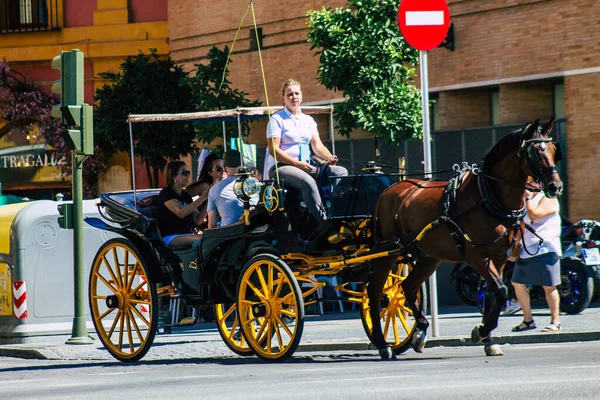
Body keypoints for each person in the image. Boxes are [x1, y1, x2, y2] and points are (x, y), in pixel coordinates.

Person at [266, 78, 348, 222]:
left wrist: (329, 157)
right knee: (308, 181)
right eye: (289, 94)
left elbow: (317, 146)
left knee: (341, 172)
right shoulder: (276, 119)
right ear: (283, 99)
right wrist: (298, 164)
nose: (294, 97)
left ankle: (337, 214)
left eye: (296, 93)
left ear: (302, 96)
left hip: (306, 165)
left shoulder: (308, 120)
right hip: (281, 167)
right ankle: (323, 222)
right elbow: (274, 150)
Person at [511, 190, 562, 333]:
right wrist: (514, 248)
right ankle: (528, 320)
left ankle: (555, 322)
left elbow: (534, 215)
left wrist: (527, 199)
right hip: (526, 249)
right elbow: (520, 225)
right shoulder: (525, 202)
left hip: (546, 248)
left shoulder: (548, 199)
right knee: (517, 283)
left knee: (549, 286)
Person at [156, 160, 205, 248]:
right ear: (174, 176)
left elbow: (197, 220)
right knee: (205, 238)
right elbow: (181, 213)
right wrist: (202, 198)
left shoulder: (185, 195)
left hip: (187, 234)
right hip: (171, 236)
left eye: (188, 172)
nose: (187, 175)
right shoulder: (166, 193)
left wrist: (210, 199)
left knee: (212, 237)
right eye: (184, 172)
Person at [207, 150, 258, 228]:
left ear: (224, 167)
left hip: (229, 235)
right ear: (242, 165)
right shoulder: (256, 184)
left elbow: (211, 225)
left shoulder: (214, 190)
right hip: (255, 231)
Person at [184, 153, 226, 230]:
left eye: (225, 168)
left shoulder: (226, 186)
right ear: (210, 172)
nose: (223, 172)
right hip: (206, 227)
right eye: (219, 169)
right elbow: (183, 195)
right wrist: (195, 211)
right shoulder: (205, 186)